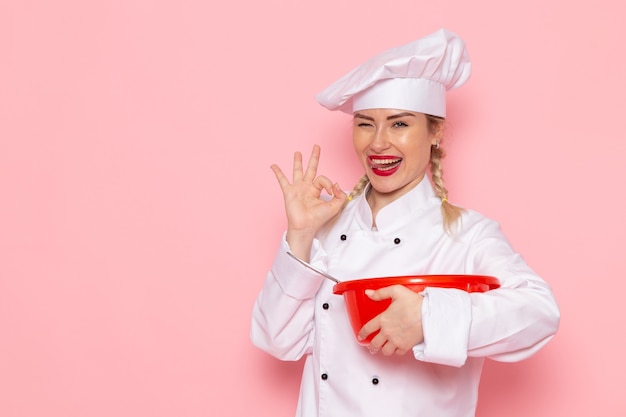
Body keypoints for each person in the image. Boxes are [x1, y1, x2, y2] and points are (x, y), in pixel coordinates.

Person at [250, 28, 560, 417]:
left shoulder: (467, 234)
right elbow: (275, 341)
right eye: (365, 124)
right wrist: (300, 236)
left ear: (435, 132)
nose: (378, 143)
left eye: (399, 124)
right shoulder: (325, 229)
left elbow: (539, 313)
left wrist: (428, 318)